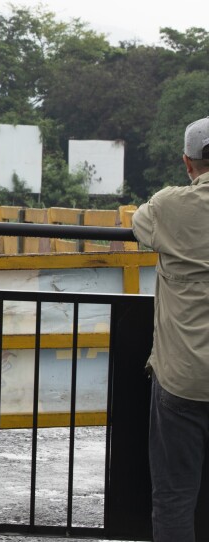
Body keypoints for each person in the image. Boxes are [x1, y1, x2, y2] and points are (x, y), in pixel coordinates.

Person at [132, 116, 209, 542]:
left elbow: (139, 222)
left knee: (176, 499)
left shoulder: (169, 206)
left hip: (183, 379)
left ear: (187, 162)